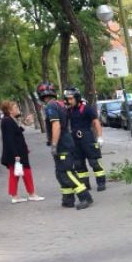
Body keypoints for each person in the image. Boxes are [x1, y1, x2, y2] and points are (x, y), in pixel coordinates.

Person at [36, 81, 93, 210]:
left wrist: (54, 144)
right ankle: (68, 199)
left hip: (62, 144)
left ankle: (85, 197)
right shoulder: (60, 104)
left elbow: (56, 125)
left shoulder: (51, 107)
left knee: (66, 172)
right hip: (67, 142)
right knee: (61, 172)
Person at [0, 100, 45, 204]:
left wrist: (26, 123)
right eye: (15, 108)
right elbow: (9, 139)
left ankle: (15, 196)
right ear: (10, 110)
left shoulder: (9, 120)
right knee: (26, 172)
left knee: (15, 174)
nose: (17, 109)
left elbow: (17, 132)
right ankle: (31, 194)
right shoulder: (7, 121)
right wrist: (16, 155)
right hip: (17, 153)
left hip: (17, 152)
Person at [64, 88, 106, 191]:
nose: (69, 101)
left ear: (77, 98)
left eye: (71, 99)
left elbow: (96, 122)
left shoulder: (87, 108)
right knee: (79, 164)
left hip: (87, 138)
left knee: (94, 162)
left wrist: (100, 137)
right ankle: (85, 185)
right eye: (67, 99)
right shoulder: (69, 110)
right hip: (75, 140)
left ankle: (101, 183)